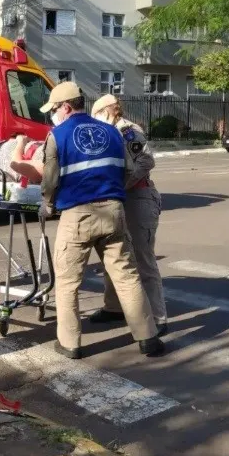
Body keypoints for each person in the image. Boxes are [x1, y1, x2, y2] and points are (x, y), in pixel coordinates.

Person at [38, 81, 164, 359]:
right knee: (127, 276)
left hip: (78, 216)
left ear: (66, 107)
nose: (53, 114)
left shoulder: (57, 135)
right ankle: (148, 337)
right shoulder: (112, 132)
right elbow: (128, 169)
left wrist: (47, 205)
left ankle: (70, 343)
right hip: (114, 211)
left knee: (68, 281)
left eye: (55, 109)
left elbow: (49, 180)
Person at [88, 94, 168, 336]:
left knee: (143, 259)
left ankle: (157, 316)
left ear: (108, 111)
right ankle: (114, 307)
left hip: (137, 198)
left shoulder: (127, 131)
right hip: (117, 201)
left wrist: (120, 185)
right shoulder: (107, 133)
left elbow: (146, 161)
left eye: (97, 115)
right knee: (115, 256)